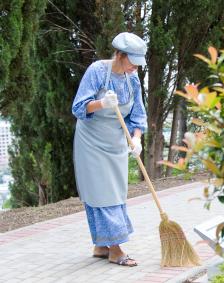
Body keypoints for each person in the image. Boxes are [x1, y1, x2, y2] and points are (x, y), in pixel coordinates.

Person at [72, 32, 147, 267]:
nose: (135, 67)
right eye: (132, 61)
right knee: (102, 193)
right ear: (120, 55)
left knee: (115, 193)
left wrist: (136, 139)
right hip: (91, 143)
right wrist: (102, 103)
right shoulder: (97, 71)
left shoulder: (132, 79)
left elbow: (138, 115)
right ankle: (115, 249)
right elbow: (79, 107)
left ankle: (101, 245)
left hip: (115, 143)